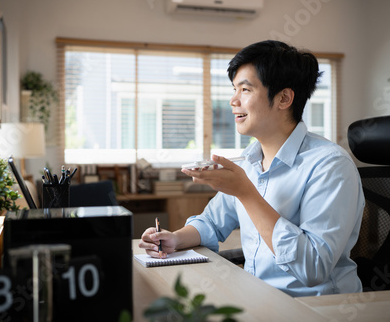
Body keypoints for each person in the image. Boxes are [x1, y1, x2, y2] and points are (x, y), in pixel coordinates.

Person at [139, 40, 365, 297]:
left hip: (315, 309)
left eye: (245, 89)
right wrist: (175, 238)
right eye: (234, 89)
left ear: (284, 98)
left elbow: (313, 267)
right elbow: (212, 222)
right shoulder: (249, 160)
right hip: (256, 297)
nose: (233, 101)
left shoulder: (330, 166)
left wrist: (246, 193)